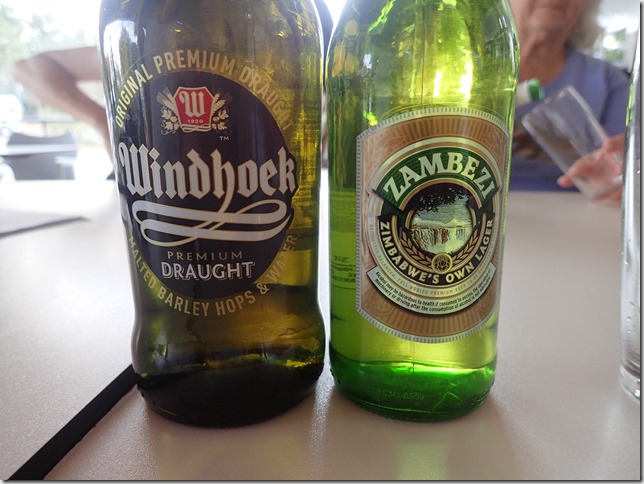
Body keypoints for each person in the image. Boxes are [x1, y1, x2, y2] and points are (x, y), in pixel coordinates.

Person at [508, 0, 630, 197]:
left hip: (580, 205)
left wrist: (626, 167)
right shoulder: (467, 69)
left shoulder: (609, 80)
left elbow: (623, 168)